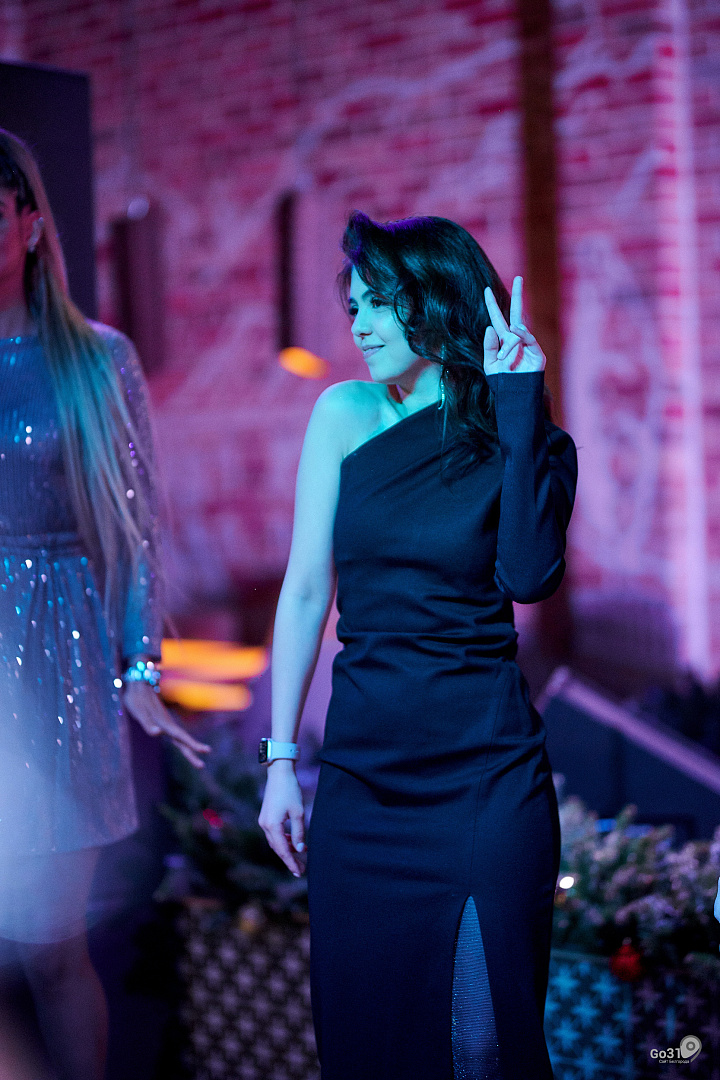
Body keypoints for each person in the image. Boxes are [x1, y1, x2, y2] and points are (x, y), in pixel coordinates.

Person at [259, 211, 578, 1079]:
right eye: (354, 305)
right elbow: (305, 591)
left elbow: (529, 575)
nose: (360, 324)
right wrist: (280, 763)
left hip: (485, 781)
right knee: (369, 1048)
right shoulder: (342, 413)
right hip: (365, 787)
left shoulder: (524, 438)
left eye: (381, 302)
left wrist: (519, 402)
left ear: (436, 301)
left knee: (481, 1045)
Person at [0, 128, 209, 1080]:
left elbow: (134, 528)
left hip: (58, 656)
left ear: (30, 224)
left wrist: (140, 667)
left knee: (51, 950)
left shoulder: (96, 360)